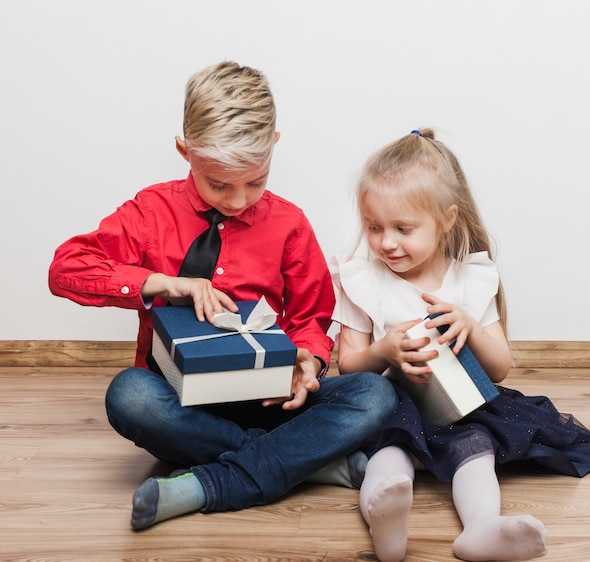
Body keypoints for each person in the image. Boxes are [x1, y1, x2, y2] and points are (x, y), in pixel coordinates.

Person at [48, 61, 397, 530]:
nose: (237, 201)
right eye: (219, 184)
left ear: (274, 146)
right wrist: (162, 283)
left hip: (271, 400)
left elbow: (312, 317)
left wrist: (308, 365)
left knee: (375, 393)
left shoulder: (289, 223)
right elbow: (66, 268)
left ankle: (209, 482)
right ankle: (304, 462)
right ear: (184, 151)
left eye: (255, 182)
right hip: (182, 404)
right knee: (129, 397)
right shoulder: (151, 210)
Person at [332, 128, 590, 562]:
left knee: (475, 448)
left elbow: (499, 369)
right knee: (389, 455)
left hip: (458, 407)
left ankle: (481, 528)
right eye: (374, 227)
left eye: (403, 228)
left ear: (447, 218)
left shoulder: (470, 280)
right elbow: (348, 367)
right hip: (394, 406)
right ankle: (384, 519)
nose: (386, 242)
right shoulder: (363, 280)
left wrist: (471, 328)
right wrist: (384, 350)